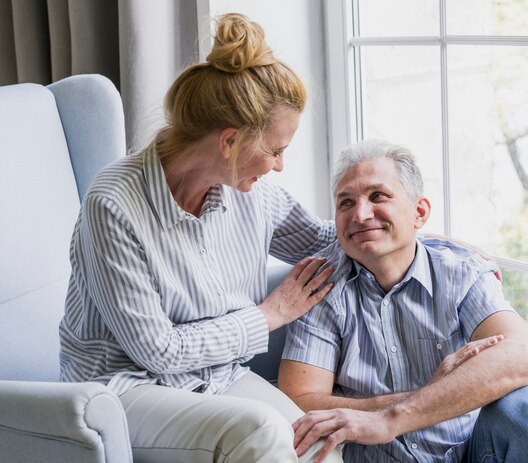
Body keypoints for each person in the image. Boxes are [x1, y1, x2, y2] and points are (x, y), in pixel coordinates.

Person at [59, 13, 343, 462]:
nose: (279, 165)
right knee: (263, 432)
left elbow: (327, 240)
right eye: (275, 150)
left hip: (217, 376)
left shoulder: (253, 194)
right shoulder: (112, 205)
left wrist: (426, 240)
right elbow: (159, 352)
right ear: (229, 141)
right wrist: (270, 314)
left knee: (318, 443)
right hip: (122, 390)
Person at [279, 140, 528, 463]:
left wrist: (390, 419)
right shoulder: (319, 285)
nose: (359, 213)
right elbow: (298, 399)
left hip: (471, 451)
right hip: (379, 458)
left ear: (419, 212)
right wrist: (424, 398)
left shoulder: (461, 272)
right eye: (345, 203)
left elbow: (523, 357)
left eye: (378, 196)